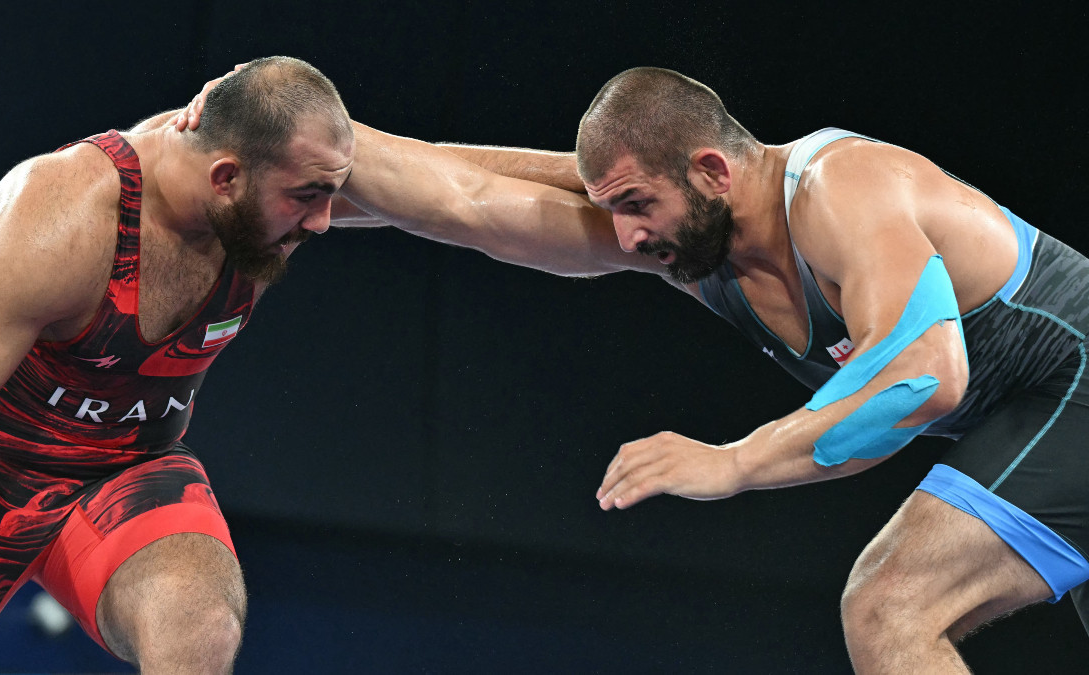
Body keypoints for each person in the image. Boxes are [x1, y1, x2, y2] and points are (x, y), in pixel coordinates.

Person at [187, 66, 1089, 670]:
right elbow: (469, 200)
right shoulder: (702, 245)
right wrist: (297, 161)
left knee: (890, 608)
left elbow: (922, 377)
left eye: (635, 206)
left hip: (1074, 389)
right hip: (1042, 426)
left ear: (709, 170)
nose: (624, 239)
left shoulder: (838, 189)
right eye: (613, 210)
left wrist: (733, 460)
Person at [0, 55, 619, 674]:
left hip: (121, 471)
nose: (326, 221)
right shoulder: (65, 220)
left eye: (333, 191)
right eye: (308, 199)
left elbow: (460, 191)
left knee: (199, 626)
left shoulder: (287, 165)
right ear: (226, 178)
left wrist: (643, 214)